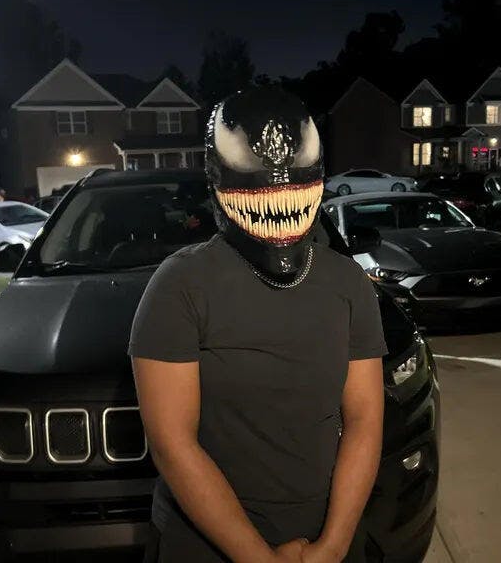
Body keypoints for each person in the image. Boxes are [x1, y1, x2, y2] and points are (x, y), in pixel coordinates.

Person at [129, 87, 387, 562]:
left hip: (325, 537)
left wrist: (333, 544)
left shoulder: (348, 283)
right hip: (206, 544)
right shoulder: (179, 286)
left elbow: (365, 420)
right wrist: (258, 558)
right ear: (215, 179)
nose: (280, 193)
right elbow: (172, 444)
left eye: (295, 179)